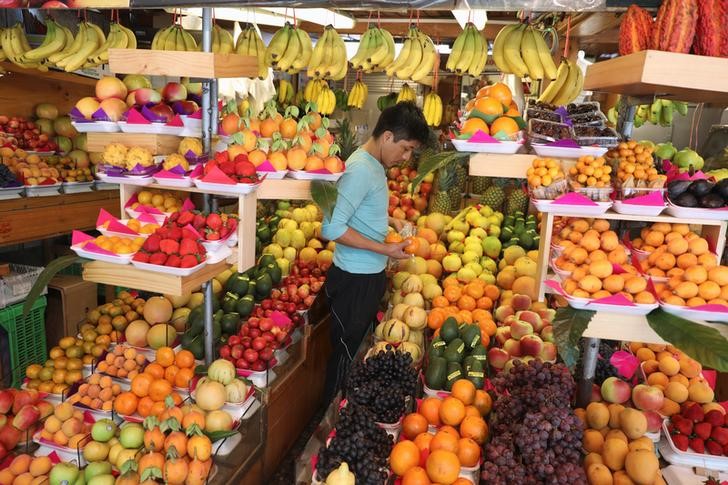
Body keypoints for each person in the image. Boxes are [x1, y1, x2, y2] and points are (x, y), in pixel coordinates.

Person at [320, 102, 430, 404]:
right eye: (406, 148)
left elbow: (357, 214)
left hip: (366, 278)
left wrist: (390, 220)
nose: (406, 158)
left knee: (356, 354)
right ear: (388, 137)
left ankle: (345, 410)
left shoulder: (373, 165)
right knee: (346, 356)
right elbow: (330, 228)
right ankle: (332, 419)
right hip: (353, 282)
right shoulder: (360, 170)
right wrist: (384, 248)